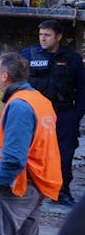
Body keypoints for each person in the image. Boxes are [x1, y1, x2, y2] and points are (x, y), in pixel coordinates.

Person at [0, 52, 61, 235]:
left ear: (5, 76)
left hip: (18, 185)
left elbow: (14, 158)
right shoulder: (40, 100)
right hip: (38, 181)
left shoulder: (19, 106)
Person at [21, 19, 85, 206]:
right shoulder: (28, 55)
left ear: (59, 37)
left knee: (64, 155)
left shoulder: (72, 58)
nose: (43, 39)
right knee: (30, 153)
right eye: (41, 35)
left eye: (47, 35)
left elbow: (82, 88)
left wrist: (76, 115)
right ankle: (28, 190)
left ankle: (61, 191)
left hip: (63, 115)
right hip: (35, 115)